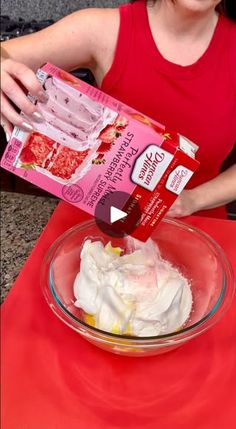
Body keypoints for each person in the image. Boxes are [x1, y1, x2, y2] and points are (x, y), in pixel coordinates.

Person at [1, 0, 236, 218]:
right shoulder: (102, 30)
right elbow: (5, 55)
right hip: (100, 230)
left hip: (202, 231)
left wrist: (194, 200)